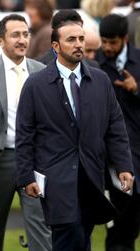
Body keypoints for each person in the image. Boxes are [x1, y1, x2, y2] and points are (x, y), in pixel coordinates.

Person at [15, 9, 133, 251]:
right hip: (56, 177)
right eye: (71, 40)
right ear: (56, 46)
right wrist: (26, 176)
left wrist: (124, 166)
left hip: (91, 175)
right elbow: (25, 133)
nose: (79, 45)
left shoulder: (100, 81)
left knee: (83, 235)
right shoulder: (36, 84)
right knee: (70, 233)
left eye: (81, 39)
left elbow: (115, 128)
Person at [0, 14, 52, 251]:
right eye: (15, 34)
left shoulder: (40, 70)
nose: (22, 39)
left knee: (41, 226)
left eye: (26, 34)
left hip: (34, 160)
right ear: (0, 40)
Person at [95, 14, 140, 251]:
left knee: (132, 221)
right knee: (119, 223)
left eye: (112, 42)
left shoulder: (139, 61)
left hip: (138, 150)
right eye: (104, 41)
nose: (107, 47)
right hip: (112, 158)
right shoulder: (96, 64)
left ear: (125, 38)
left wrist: (137, 90)